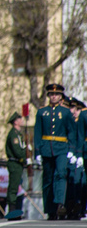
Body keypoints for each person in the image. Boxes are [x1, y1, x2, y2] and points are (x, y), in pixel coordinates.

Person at [34, 84, 77, 220]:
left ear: (60, 97)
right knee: (47, 179)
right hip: (46, 148)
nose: (54, 96)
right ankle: (49, 209)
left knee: (60, 174)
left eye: (57, 94)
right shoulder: (42, 112)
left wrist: (71, 149)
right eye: (52, 94)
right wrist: (37, 151)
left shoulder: (65, 113)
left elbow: (71, 132)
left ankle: (59, 204)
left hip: (61, 148)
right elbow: (37, 133)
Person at [5, 111, 28, 220]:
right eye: (19, 119)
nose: (21, 120)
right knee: (13, 187)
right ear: (16, 122)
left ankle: (16, 211)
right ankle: (12, 211)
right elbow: (17, 150)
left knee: (17, 187)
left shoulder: (18, 133)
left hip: (18, 163)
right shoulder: (13, 134)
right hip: (15, 163)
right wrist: (24, 158)